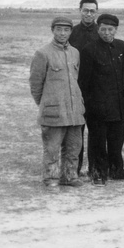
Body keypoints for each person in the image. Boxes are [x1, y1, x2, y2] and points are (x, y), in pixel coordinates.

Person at [29, 16, 85, 187]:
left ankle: (70, 176)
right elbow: (35, 84)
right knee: (52, 149)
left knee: (74, 147)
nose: (62, 33)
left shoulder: (75, 53)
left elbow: (75, 79)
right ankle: (51, 178)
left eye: (66, 30)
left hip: (74, 111)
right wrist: (46, 104)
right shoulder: (42, 53)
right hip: (53, 111)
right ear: (52, 30)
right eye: (59, 29)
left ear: (70, 31)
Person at [78, 14, 124, 186]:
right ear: (98, 29)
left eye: (110, 29)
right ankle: (97, 173)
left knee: (117, 141)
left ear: (116, 30)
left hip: (118, 105)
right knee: (97, 142)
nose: (107, 33)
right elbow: (83, 82)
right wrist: (88, 104)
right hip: (97, 106)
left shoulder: (121, 46)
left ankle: (117, 170)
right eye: (103, 29)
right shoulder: (89, 50)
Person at [68, 0, 100, 177]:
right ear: (80, 11)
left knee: (95, 132)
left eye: (92, 11)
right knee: (75, 132)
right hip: (76, 89)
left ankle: (94, 169)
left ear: (96, 12)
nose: (89, 13)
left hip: (96, 90)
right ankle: (75, 168)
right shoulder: (72, 33)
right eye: (86, 10)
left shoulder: (101, 32)